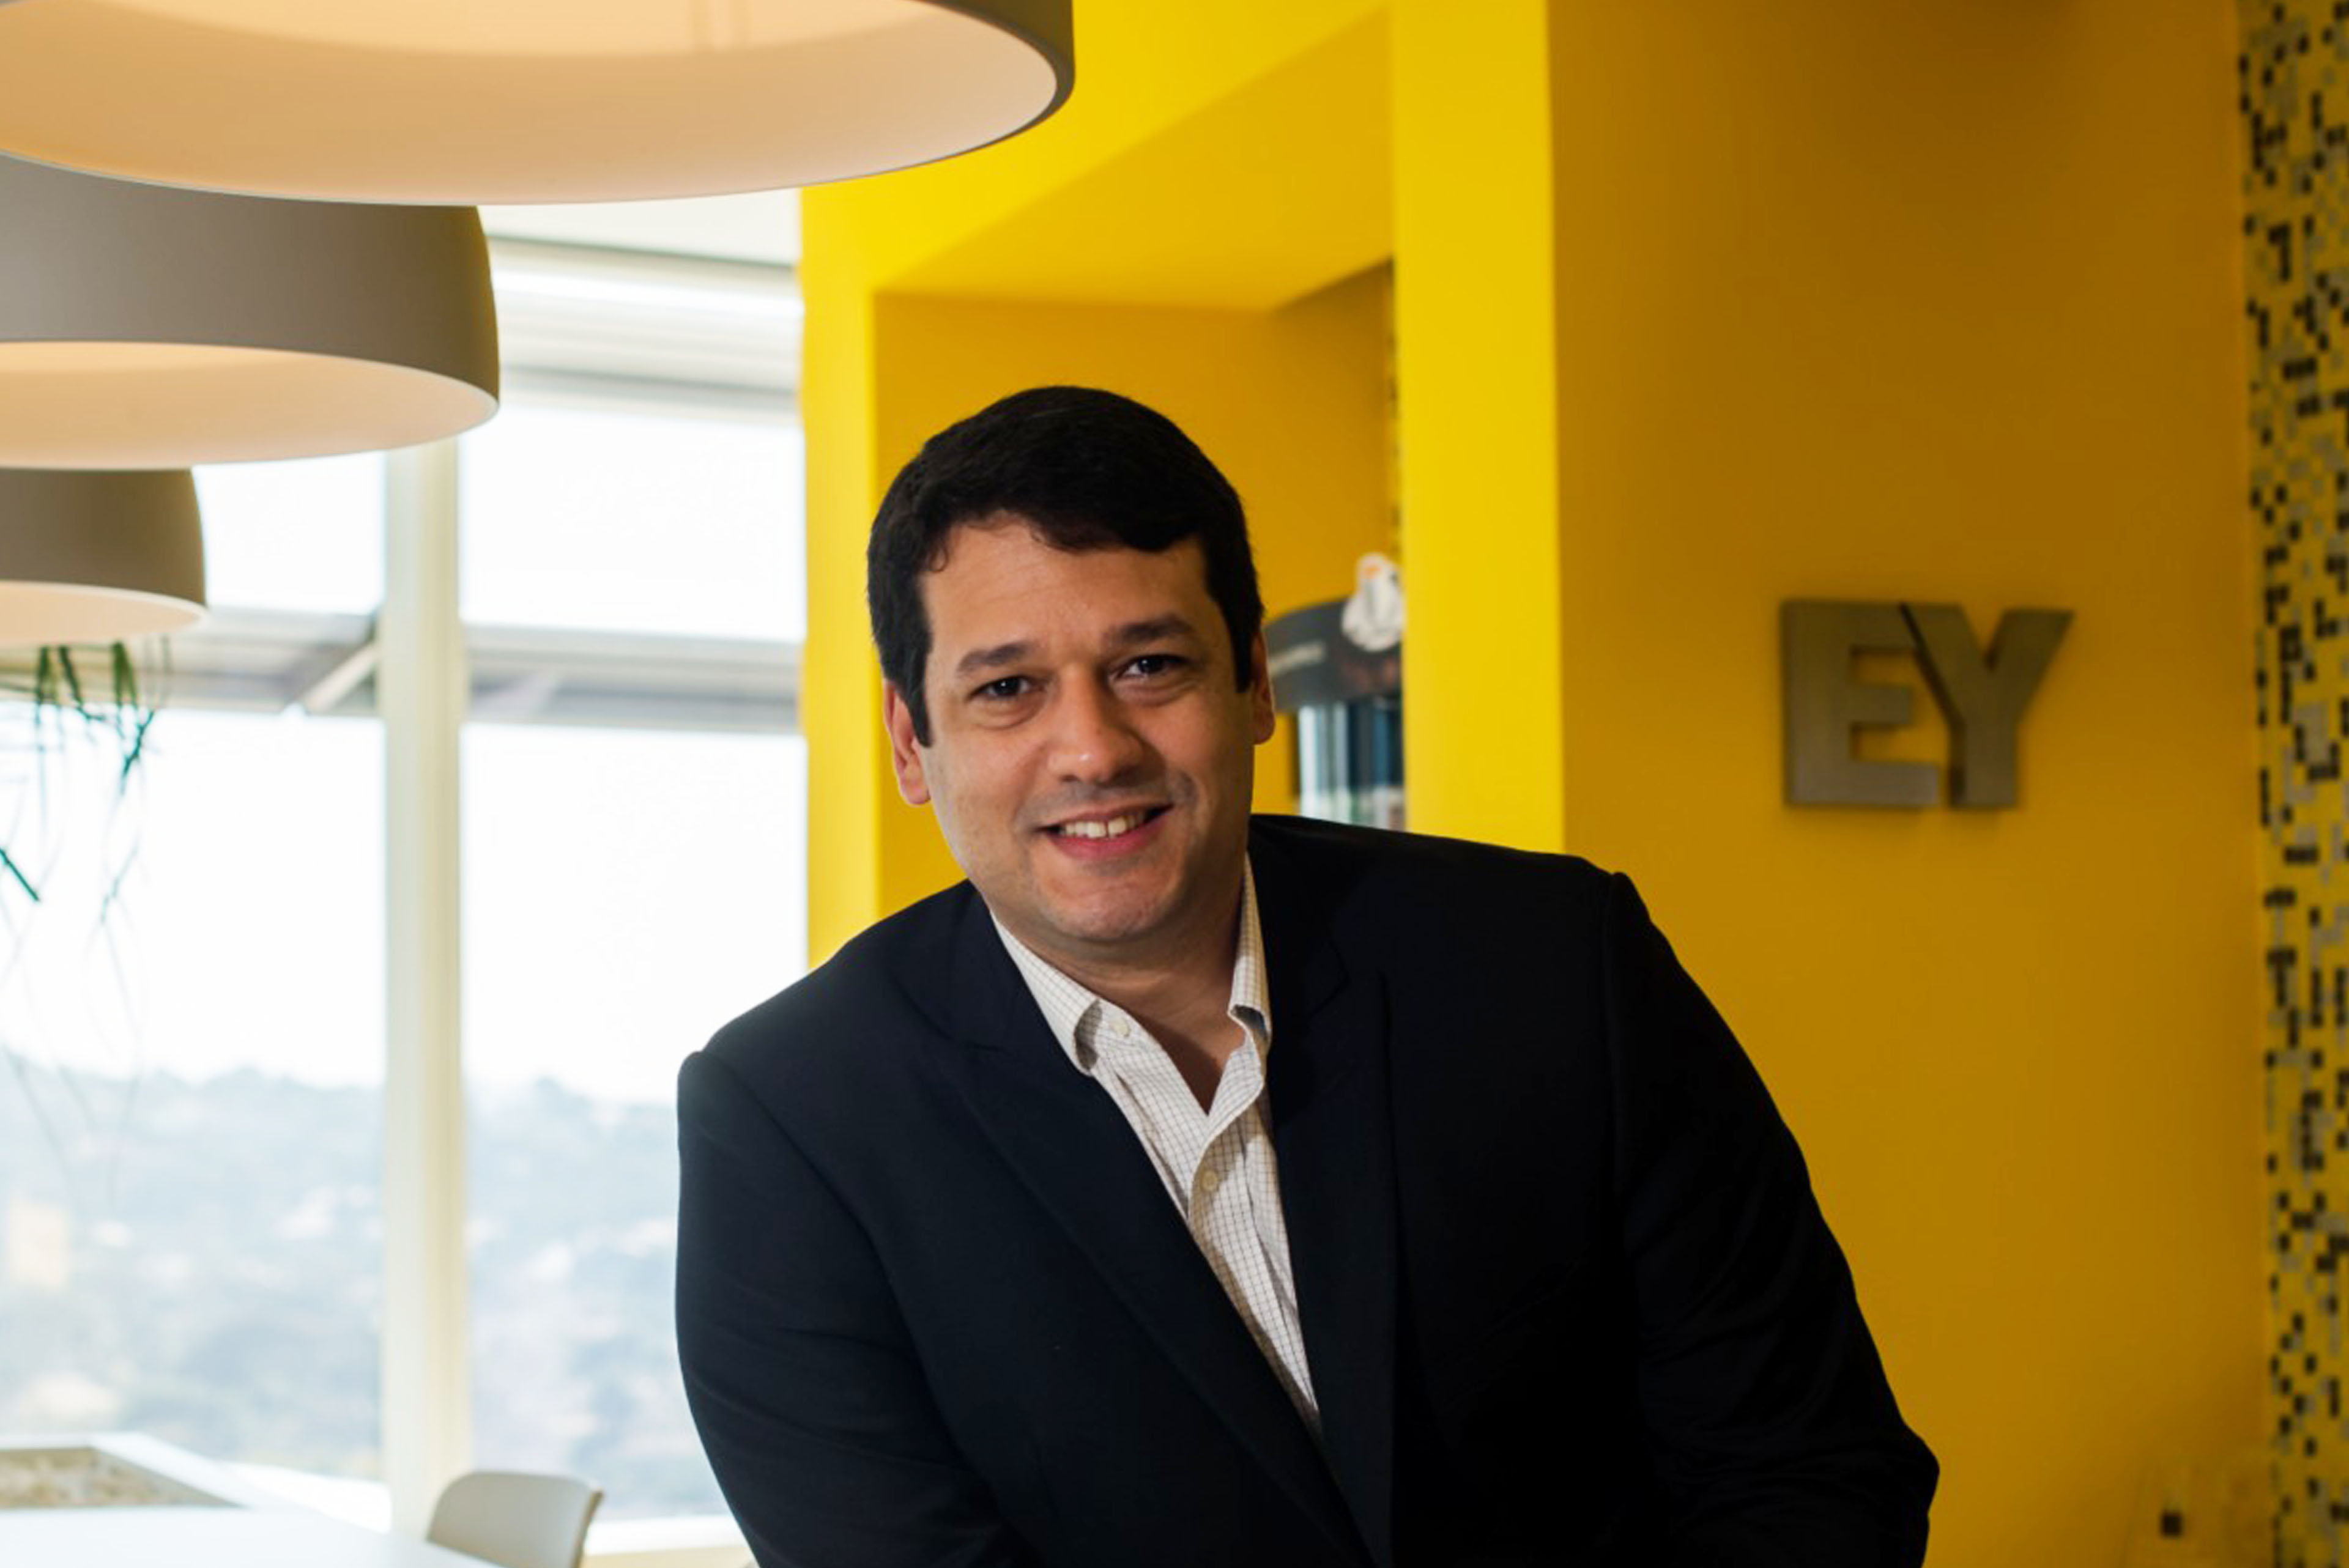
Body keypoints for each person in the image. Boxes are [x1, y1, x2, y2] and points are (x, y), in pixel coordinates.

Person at [675, 386, 1937, 1568]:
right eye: (1008, 689)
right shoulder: (791, 1122)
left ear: (1255, 682)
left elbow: (1808, 1470)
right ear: (912, 741)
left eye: (1149, 666)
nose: (1093, 749)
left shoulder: (1556, 966)